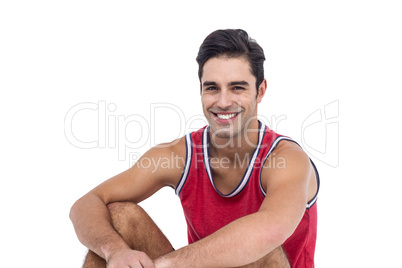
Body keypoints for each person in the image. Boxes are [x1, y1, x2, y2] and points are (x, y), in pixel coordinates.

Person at [70, 29, 319, 268]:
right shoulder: (178, 156)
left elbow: (270, 230)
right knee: (119, 216)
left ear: (260, 91)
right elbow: (87, 204)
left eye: (237, 87)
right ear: (200, 90)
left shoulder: (287, 159)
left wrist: (160, 265)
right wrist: (115, 252)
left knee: (263, 248)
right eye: (212, 88)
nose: (223, 102)